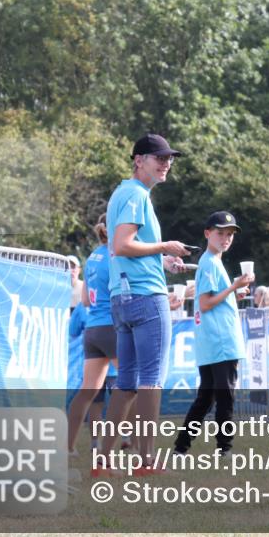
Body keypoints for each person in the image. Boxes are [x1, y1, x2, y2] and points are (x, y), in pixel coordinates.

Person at [94, 133, 192, 476]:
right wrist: (165, 246)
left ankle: (103, 461)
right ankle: (147, 460)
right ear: (139, 160)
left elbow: (125, 248)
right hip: (146, 297)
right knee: (151, 380)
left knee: (128, 382)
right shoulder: (137, 195)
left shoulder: (123, 192)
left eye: (169, 158)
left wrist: (163, 262)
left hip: (122, 298)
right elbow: (122, 244)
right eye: (159, 157)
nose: (166, 163)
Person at [174, 211, 254, 455]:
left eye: (229, 234)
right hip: (221, 340)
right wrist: (234, 286)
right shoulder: (210, 261)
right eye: (220, 233)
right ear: (207, 234)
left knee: (206, 397)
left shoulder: (213, 261)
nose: (226, 238)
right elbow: (207, 303)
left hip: (212, 340)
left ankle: (181, 447)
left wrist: (234, 293)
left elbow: (209, 299)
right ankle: (224, 448)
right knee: (224, 395)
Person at [66, 215, 121, 456]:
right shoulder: (116, 255)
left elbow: (86, 300)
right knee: (132, 388)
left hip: (94, 329)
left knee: (87, 391)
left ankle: (67, 447)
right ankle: (129, 447)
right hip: (113, 327)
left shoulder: (92, 258)